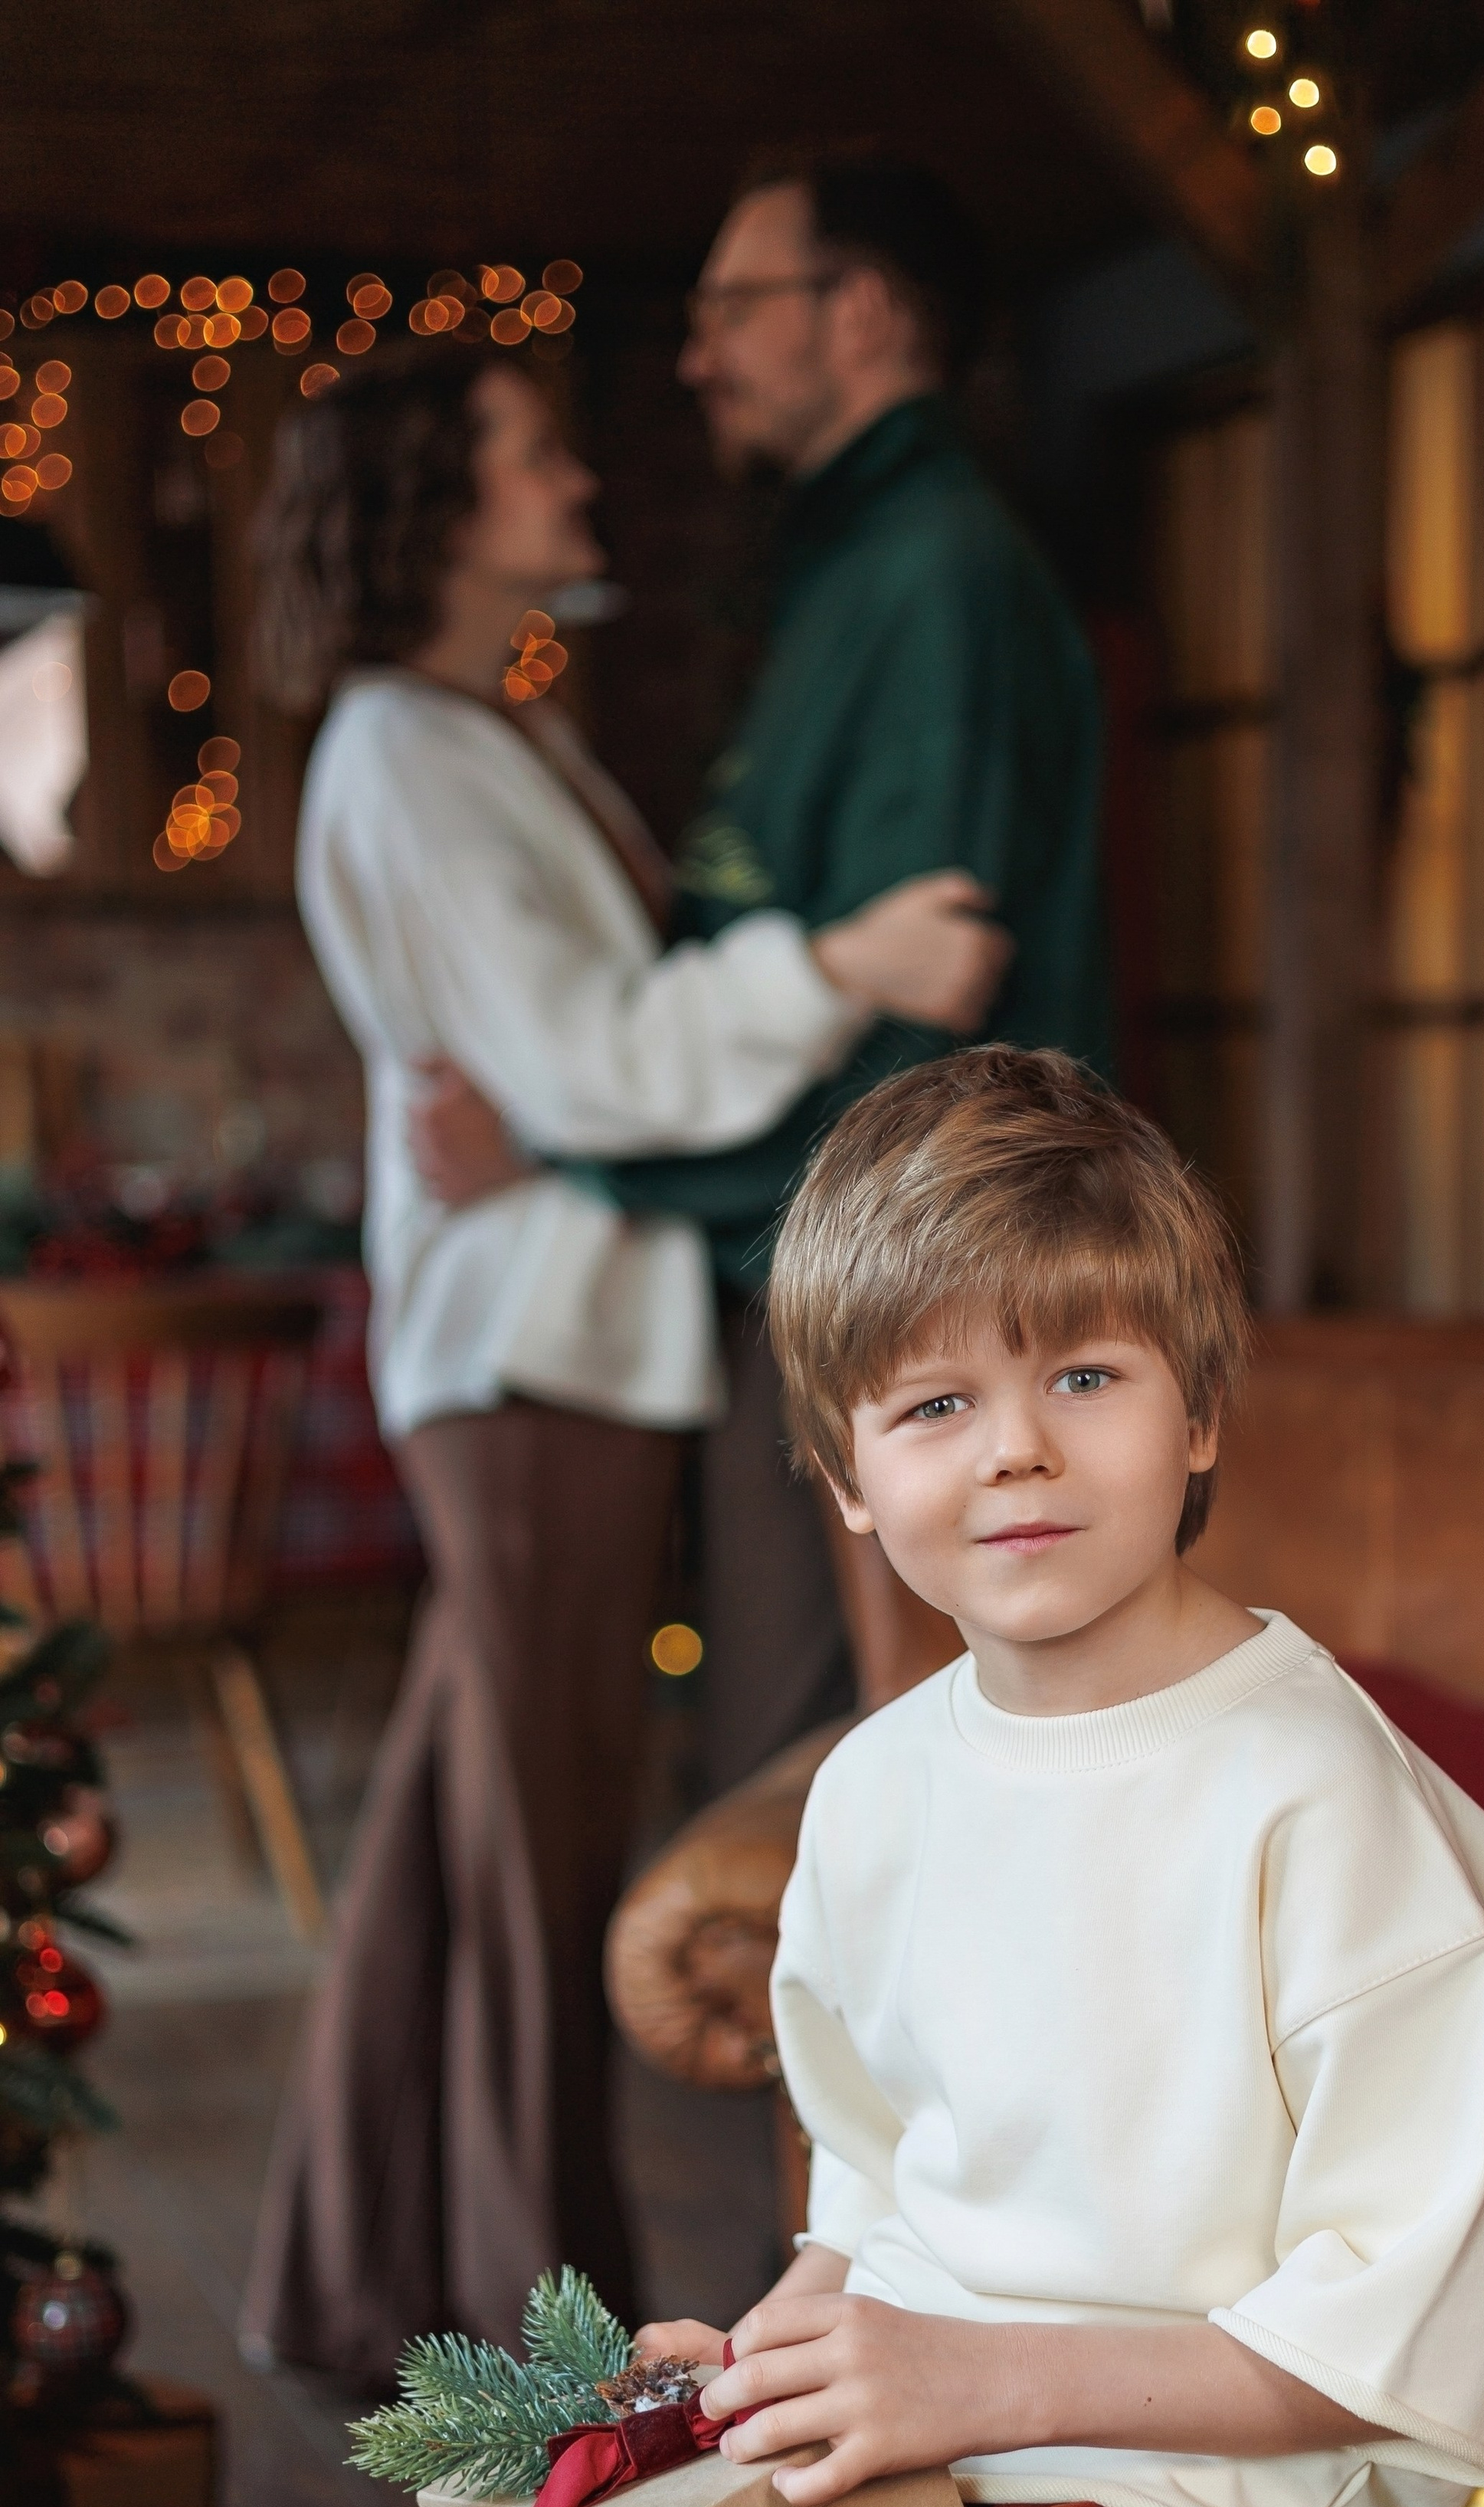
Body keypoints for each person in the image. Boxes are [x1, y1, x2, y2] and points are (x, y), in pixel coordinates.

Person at [438, 1047, 1484, 2507]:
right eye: (937, 1400)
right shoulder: (872, 1795)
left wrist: (970, 2379)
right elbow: (879, 2196)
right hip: (911, 2457)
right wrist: (798, 2338)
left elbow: (1401, 2343)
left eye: (1084, 1378)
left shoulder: (1329, 1806)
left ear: (1197, 1412)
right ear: (846, 1483)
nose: (1016, 1448)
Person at [239, 345, 1008, 2388]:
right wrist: (846, 967)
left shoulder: (483, 735)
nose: (580, 477)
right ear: (437, 500)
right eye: (533, 450)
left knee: (454, 1838)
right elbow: (596, 1055)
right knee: (539, 1853)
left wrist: (573, 1091)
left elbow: (567, 1056)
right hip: (527, 1372)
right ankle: (540, 2335)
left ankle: (344, 2277)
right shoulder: (408, 753)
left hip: (556, 1351)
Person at [411, 152, 1110, 1797]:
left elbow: (915, 1022)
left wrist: (579, 1150)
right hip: (840, 1278)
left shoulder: (928, 573)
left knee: (822, 1782)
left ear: (857, 316)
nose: (693, 352)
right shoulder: (850, 566)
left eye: (734, 306)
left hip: (909, 1297)